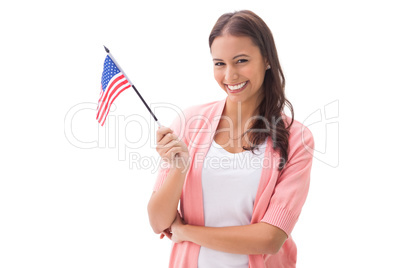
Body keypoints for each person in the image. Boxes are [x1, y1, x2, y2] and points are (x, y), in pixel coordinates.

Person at [147, 10, 314, 268]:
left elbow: (270, 238)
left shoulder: (298, 138)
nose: (229, 76)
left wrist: (187, 232)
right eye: (219, 63)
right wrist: (179, 168)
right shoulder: (189, 122)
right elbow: (158, 222)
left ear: (267, 59)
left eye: (241, 60)